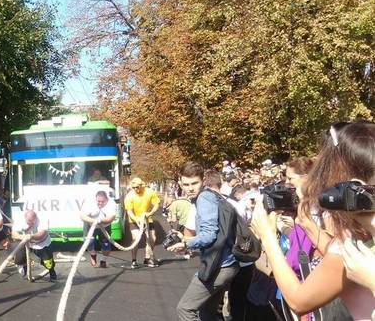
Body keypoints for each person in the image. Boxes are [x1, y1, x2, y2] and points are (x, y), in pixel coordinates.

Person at [250, 121, 375, 320]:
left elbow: (299, 301)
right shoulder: (364, 233)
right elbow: (341, 255)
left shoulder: (357, 241)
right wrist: (307, 225)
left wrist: (267, 236)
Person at [168, 163, 239, 321]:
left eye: (194, 183)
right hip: (227, 265)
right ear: (180, 184)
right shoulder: (209, 196)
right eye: (186, 184)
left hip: (220, 267)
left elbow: (209, 234)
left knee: (185, 309)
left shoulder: (204, 199)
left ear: (203, 180)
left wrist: (187, 244)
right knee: (208, 313)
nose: (190, 188)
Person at [123, 177, 160, 268]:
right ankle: (134, 260)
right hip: (134, 219)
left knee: (152, 238)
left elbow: (156, 204)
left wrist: (150, 213)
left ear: (142, 185)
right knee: (135, 239)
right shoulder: (129, 196)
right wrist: (136, 219)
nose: (136, 189)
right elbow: (129, 211)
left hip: (147, 218)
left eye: (137, 187)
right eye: (134, 187)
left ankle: (147, 258)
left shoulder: (149, 192)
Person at [12, 210, 57, 280]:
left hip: (41, 243)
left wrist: (31, 237)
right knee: (19, 259)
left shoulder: (43, 219)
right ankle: (24, 267)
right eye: (28, 223)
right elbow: (14, 235)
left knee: (48, 262)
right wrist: (22, 237)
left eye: (32, 223)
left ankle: (51, 270)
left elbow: (42, 234)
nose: (30, 225)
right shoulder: (19, 218)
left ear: (36, 218)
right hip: (26, 242)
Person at [80, 190, 117, 269]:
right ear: (95, 199)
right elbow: (82, 216)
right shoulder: (89, 202)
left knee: (106, 245)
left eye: (102, 202)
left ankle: (103, 260)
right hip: (90, 224)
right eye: (98, 201)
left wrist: (100, 221)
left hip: (105, 225)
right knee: (88, 242)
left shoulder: (111, 203)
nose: (100, 203)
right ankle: (93, 254)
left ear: (106, 199)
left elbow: (110, 218)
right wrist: (94, 221)